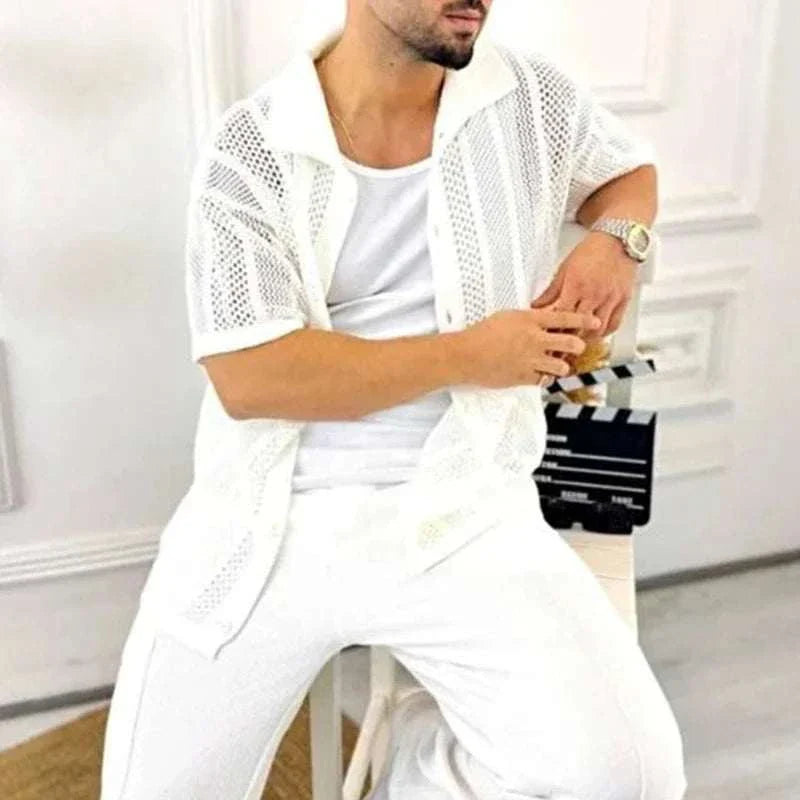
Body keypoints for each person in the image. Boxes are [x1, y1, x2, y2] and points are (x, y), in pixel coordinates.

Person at [100, 1, 687, 798]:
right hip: (267, 528)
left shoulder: (529, 98)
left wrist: (619, 244)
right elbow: (251, 378)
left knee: (636, 777)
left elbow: (627, 172)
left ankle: (413, 762)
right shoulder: (255, 145)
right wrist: (468, 357)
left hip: (463, 505)